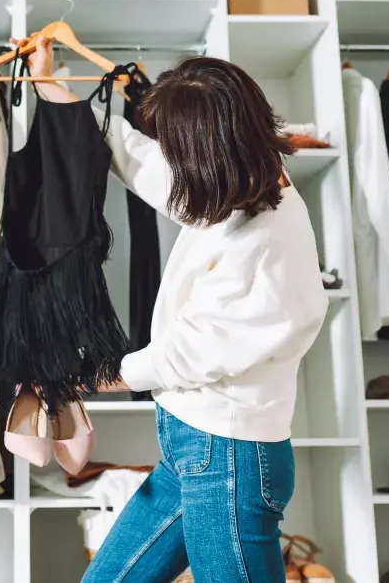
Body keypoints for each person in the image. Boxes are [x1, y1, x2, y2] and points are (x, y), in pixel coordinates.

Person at [19, 38, 329, 583]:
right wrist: (51, 83)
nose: (171, 160)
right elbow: (141, 162)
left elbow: (187, 355)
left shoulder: (265, 237)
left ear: (209, 152)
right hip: (192, 448)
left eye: (179, 150)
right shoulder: (233, 186)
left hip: (230, 461)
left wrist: (86, 376)